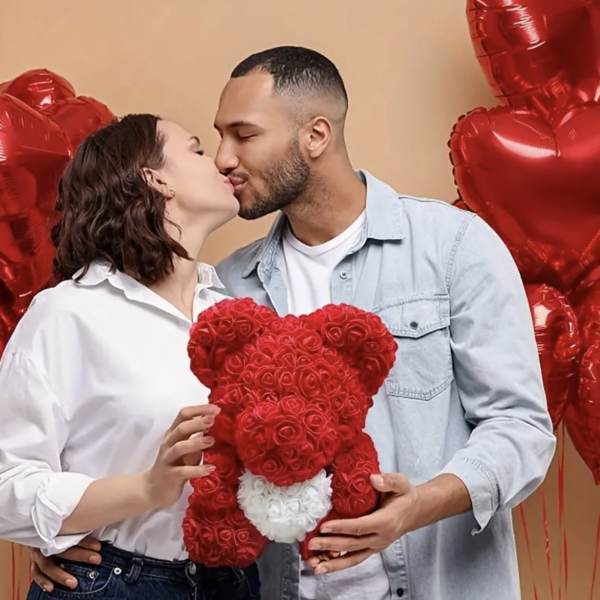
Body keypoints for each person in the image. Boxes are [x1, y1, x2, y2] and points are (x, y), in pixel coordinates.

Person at [31, 46, 556, 600]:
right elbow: (177, 449)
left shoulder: (453, 248)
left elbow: (520, 428)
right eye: (216, 138)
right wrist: (61, 532)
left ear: (316, 135)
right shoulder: (224, 290)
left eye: (244, 135)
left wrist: (418, 506)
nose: (223, 159)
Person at [0, 114, 260, 599]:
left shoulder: (234, 313)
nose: (222, 162)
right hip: (112, 583)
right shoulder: (69, 312)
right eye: (197, 149)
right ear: (155, 179)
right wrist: (145, 489)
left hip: (233, 580)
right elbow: (5, 485)